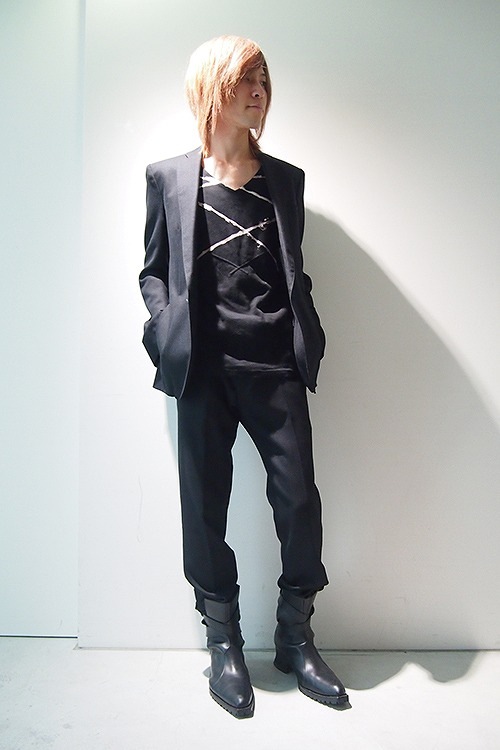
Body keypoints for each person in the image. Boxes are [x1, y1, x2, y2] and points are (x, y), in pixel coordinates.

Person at [139, 35, 348, 718]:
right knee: (203, 506)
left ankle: (296, 636)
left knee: (299, 501)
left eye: (264, 79)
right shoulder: (170, 178)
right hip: (203, 369)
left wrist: (303, 330)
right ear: (212, 88)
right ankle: (223, 642)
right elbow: (153, 270)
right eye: (245, 79)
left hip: (274, 365)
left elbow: (292, 269)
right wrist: (164, 328)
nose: (259, 90)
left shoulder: (285, 180)